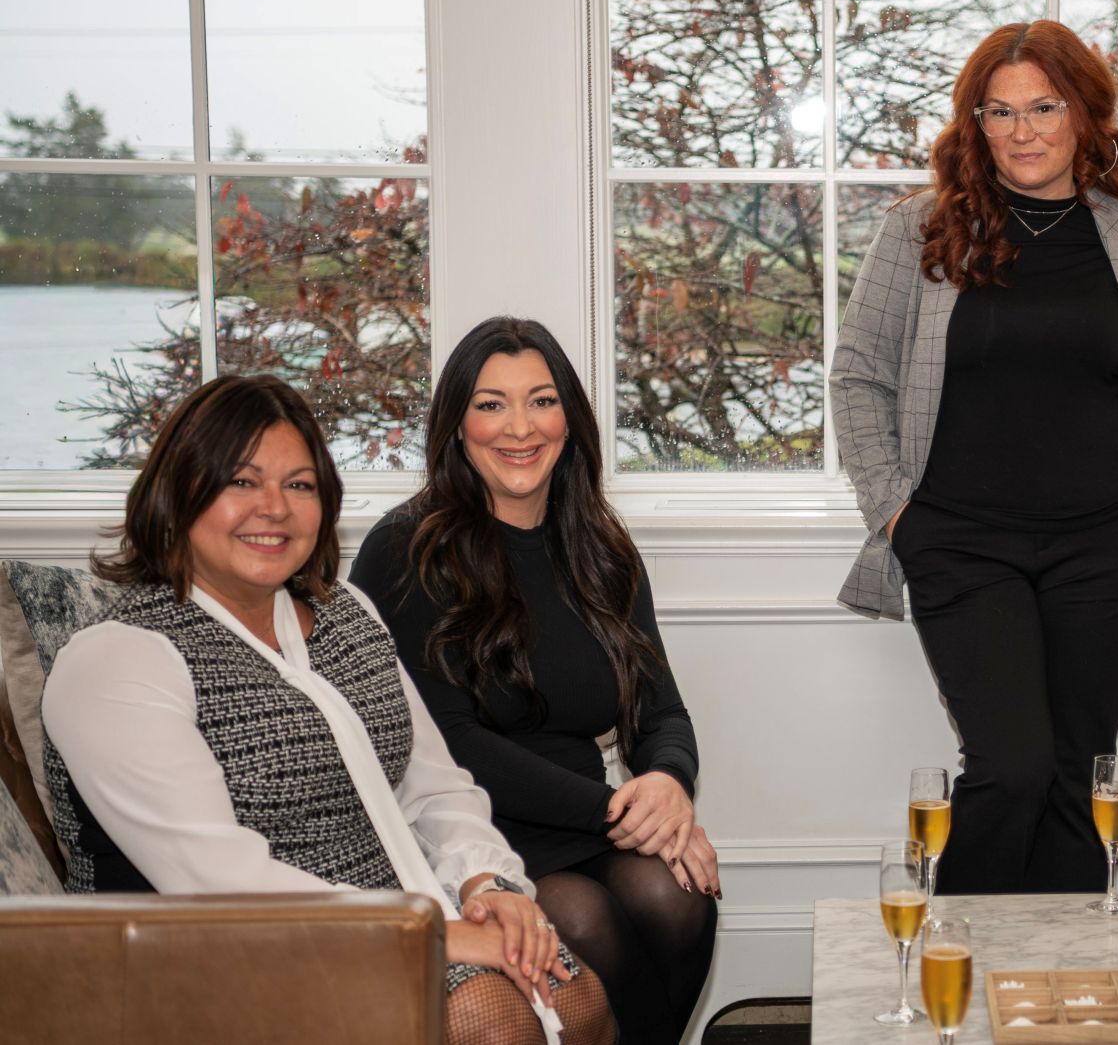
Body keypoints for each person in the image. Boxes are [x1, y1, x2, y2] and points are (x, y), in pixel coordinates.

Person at [41, 374, 612, 1045]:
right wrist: (437, 934)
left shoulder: (347, 614)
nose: (275, 508)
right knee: (488, 1019)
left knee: (579, 999)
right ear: (178, 495)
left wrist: (487, 882)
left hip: (399, 906)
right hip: (205, 959)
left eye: (301, 484)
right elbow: (216, 879)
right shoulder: (118, 660)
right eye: (242, 481)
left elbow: (434, 783)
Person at [829, 20, 1118, 894]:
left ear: (1084, 114)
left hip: (1111, 546)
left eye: (1044, 106)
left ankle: (1060, 1001)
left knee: (1079, 780)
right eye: (998, 111)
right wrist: (896, 513)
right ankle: (947, 983)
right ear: (976, 122)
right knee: (1011, 767)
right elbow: (858, 377)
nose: (1023, 130)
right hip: (961, 545)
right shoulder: (920, 231)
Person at [350, 317, 717, 1045]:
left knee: (678, 893)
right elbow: (453, 744)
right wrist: (619, 812)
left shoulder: (599, 545)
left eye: (540, 400)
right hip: (469, 829)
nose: (519, 427)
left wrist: (668, 786)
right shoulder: (405, 548)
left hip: (588, 814)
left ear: (570, 419)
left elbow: (660, 709)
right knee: (583, 919)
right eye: (490, 404)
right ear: (456, 423)